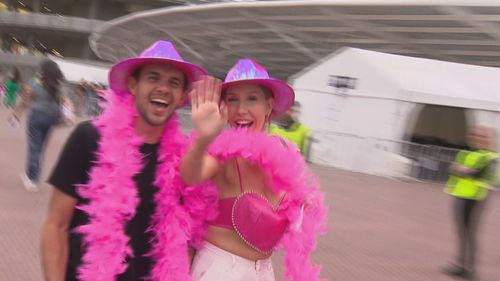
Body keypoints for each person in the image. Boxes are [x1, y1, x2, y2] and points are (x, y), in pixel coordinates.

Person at [40, 40, 215, 281]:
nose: (163, 88)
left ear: (183, 95)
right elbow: (55, 226)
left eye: (174, 82)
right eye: (153, 78)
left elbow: (187, 242)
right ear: (133, 85)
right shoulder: (89, 138)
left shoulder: (185, 161)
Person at [181, 58, 328, 281]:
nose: (241, 110)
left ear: (268, 106)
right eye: (233, 100)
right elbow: (190, 175)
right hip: (220, 271)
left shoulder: (284, 152)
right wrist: (202, 139)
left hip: (263, 273)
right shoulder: (222, 153)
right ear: (223, 107)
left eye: (252, 99)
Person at [443, 126, 498, 280]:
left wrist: (463, 170)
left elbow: (486, 176)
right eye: (474, 134)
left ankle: (471, 270)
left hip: (477, 199)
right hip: (460, 196)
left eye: (481, 135)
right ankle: (460, 265)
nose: (476, 137)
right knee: (461, 233)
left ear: (487, 138)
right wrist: (462, 170)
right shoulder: (467, 153)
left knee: (471, 234)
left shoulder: (492, 157)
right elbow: (452, 169)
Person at [10, 61, 65, 191]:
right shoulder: (58, 85)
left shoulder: (35, 83)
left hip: (37, 116)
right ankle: (30, 175)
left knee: (34, 146)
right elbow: (62, 102)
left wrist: (16, 114)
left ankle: (33, 179)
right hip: (51, 118)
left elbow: (25, 101)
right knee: (40, 148)